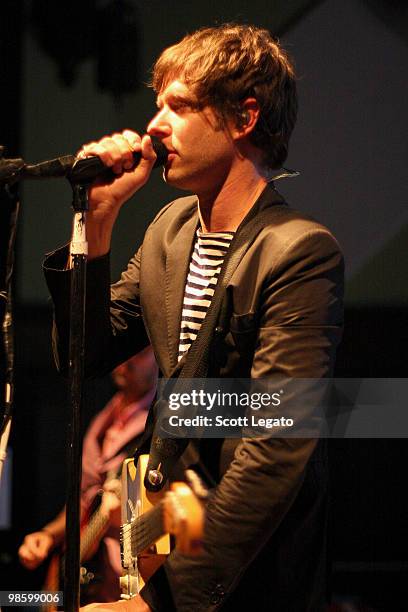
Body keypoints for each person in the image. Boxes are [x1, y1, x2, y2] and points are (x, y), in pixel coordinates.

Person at [43, 24, 344, 611]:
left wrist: (163, 601)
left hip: (247, 575)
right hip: (158, 538)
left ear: (244, 117)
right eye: (159, 106)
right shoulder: (170, 229)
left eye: (179, 106)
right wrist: (97, 221)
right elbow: (82, 357)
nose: (155, 126)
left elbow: (276, 444)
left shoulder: (299, 250)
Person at [18, 348, 158, 602]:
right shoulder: (105, 419)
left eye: (138, 353)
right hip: (92, 583)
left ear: (158, 356)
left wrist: (127, 516)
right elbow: (83, 502)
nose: (125, 361)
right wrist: (48, 536)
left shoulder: (163, 422)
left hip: (132, 583)